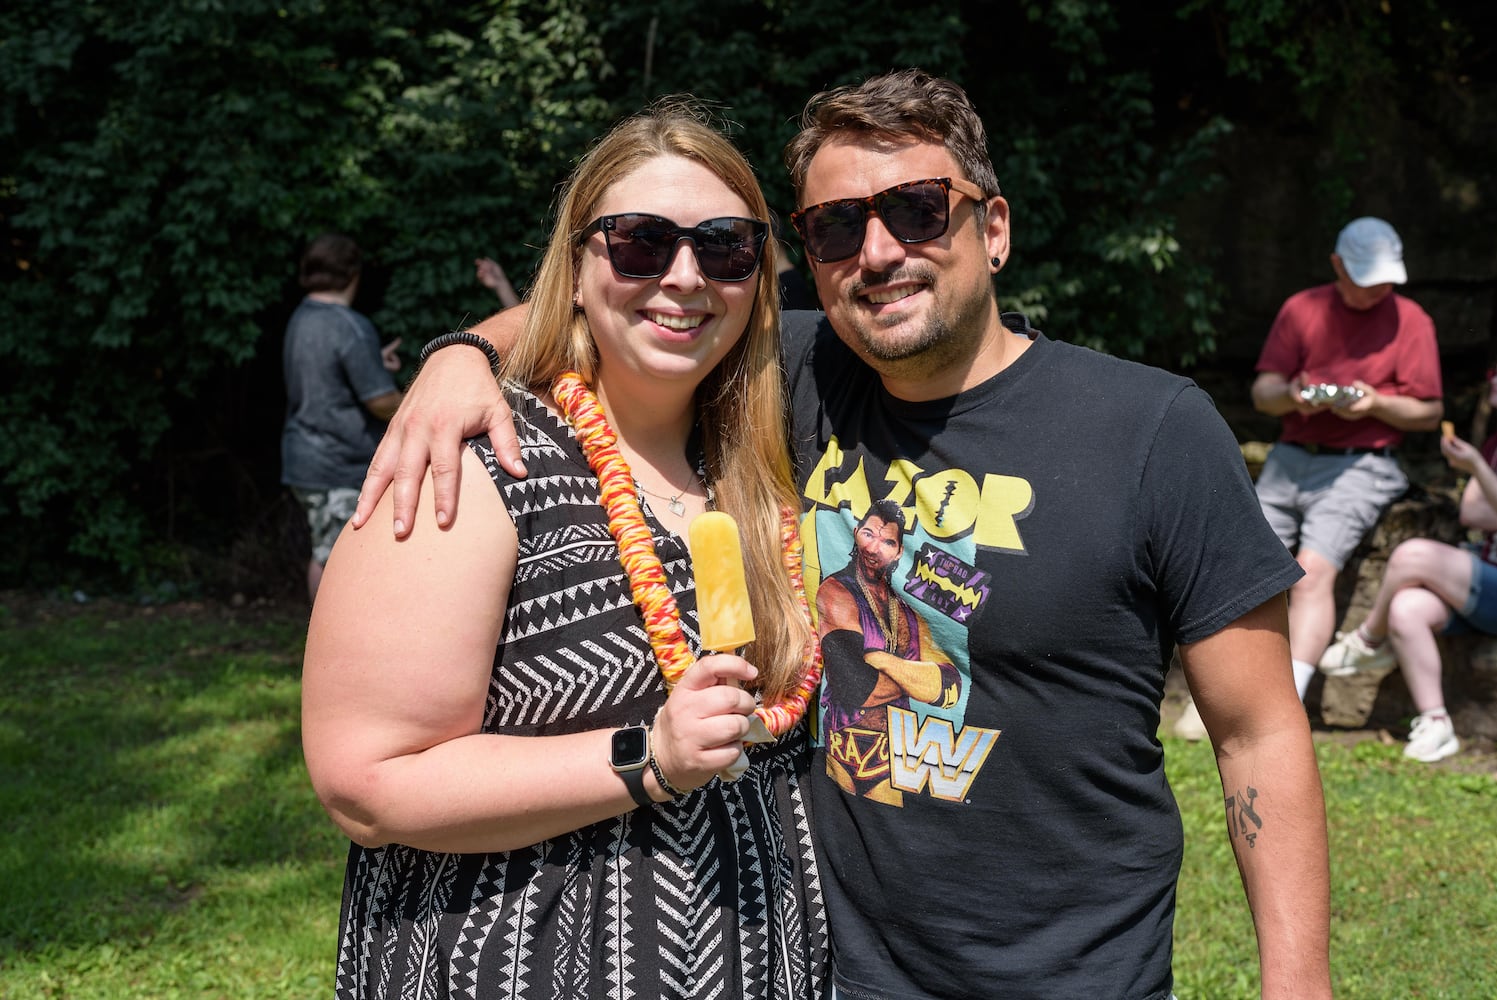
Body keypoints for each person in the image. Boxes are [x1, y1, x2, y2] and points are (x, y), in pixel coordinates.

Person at [352, 70, 1333, 1000]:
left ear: (991, 228)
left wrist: (1298, 985)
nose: (876, 253)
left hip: (1068, 973)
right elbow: (629, 292)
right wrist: (462, 353)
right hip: (826, 965)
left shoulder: (1150, 430)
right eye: (833, 227)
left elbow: (1255, 734)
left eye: (914, 211)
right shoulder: (791, 376)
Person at [300, 100, 829, 1000]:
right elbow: (365, 781)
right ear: (579, 265)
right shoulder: (480, 460)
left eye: (727, 246)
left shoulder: (761, 459)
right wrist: (646, 757)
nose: (685, 276)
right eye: (638, 242)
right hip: (521, 958)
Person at [1247, 216, 1443, 702]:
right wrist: (1295, 396)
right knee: (1244, 565)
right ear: (1337, 265)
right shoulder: (1302, 308)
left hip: (1365, 463)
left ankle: (1284, 704)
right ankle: (1231, 692)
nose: (1376, 291)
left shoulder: (1412, 320)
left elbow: (1430, 412)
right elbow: (1263, 394)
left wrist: (1375, 403)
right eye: (1364, 279)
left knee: (1311, 571)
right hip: (1292, 456)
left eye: (1384, 281)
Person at [1319, 370, 1497, 762]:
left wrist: (1478, 472)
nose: (1493, 380)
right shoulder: (1494, 444)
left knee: (1413, 554)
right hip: (1484, 576)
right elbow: (1472, 511)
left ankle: (1367, 639)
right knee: (1405, 608)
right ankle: (1436, 724)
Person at [280, 233, 402, 602]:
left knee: (324, 552)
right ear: (353, 273)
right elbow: (380, 402)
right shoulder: (349, 326)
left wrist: (373, 363)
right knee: (338, 558)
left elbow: (326, 375)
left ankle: (321, 641)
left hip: (307, 458)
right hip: (337, 463)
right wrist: (419, 404)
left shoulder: (301, 318)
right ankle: (329, 646)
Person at [816, 500, 959, 804]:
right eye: (868, 534)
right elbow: (857, 688)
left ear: (898, 552)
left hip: (895, 755)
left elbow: (950, 689)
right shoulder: (836, 591)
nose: (873, 547)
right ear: (855, 533)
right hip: (844, 749)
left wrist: (883, 661)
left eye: (887, 541)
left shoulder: (908, 612)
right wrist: (920, 683)